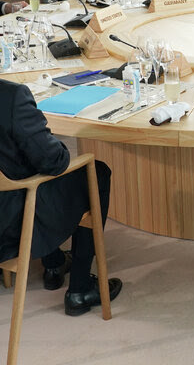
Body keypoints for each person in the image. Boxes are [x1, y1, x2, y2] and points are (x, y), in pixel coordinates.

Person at [0, 78, 122, 316]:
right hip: (14, 223)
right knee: (95, 173)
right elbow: (54, 161)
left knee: (24, 169)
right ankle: (80, 289)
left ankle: (54, 263)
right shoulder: (11, 96)